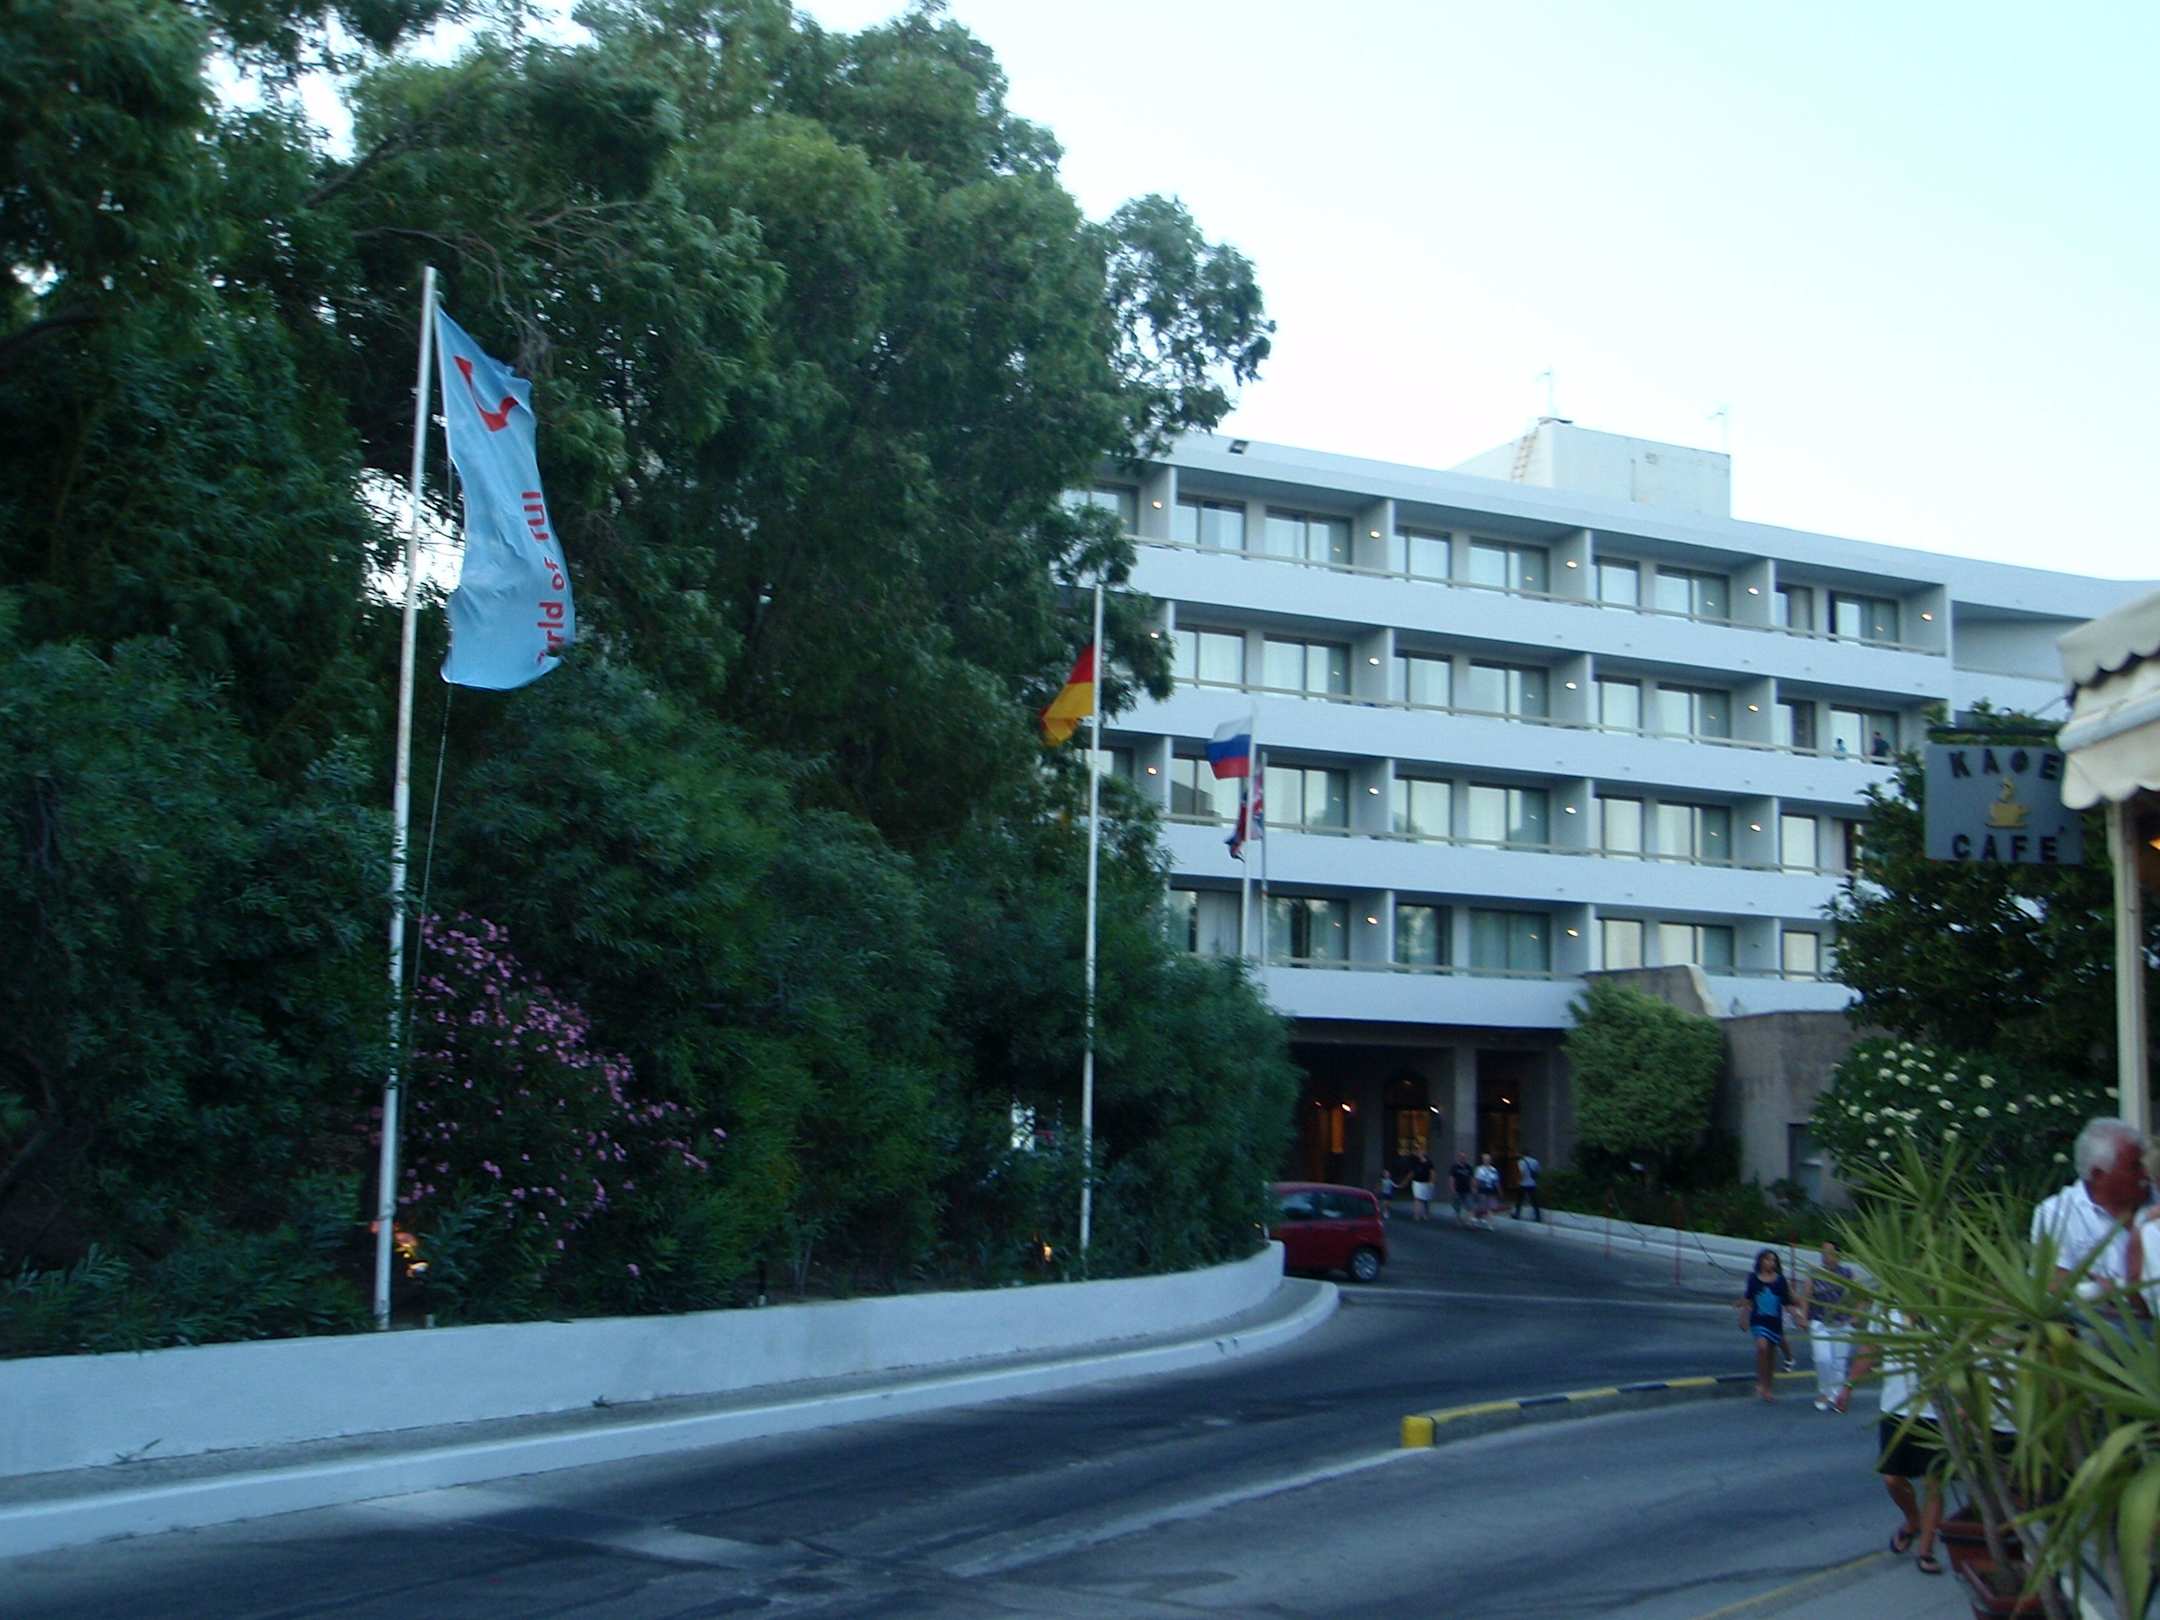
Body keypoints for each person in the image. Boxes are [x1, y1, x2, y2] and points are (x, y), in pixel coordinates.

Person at [1834, 1312, 1946, 1578]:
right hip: (1896, 1407)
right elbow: (1871, 1348)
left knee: (1934, 1481)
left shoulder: (1941, 1305)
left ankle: (1926, 1550)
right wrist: (1848, 1386)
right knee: (1892, 1479)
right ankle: (1913, 1521)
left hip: (1937, 1409)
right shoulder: (1886, 1308)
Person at [2030, 1116, 2149, 1303]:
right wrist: (2104, 1290)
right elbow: (2052, 1283)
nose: (2145, 1174)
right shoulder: (2057, 1213)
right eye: (2135, 1167)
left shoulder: (2155, 1201)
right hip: (2097, 1319)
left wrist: (2109, 1286)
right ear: (2098, 1175)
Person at [1796, 1237, 1856, 1412]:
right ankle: (1824, 1391)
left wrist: (1855, 1316)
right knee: (1823, 1358)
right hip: (1820, 1321)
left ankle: (1837, 1395)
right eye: (1823, 1252)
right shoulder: (1814, 1273)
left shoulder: (1847, 1274)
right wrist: (1803, 1316)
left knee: (1839, 1362)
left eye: (1829, 1252)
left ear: (1837, 1255)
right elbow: (1806, 1296)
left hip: (1842, 1322)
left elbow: (1859, 1295)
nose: (1825, 1256)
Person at [1735, 1248, 1797, 1402]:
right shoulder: (1753, 1279)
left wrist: (1798, 1317)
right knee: (1762, 1347)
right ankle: (1760, 1383)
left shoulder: (1780, 1280)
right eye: (1767, 1259)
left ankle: (1768, 1387)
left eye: (1773, 1260)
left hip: (1774, 1322)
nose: (1771, 1263)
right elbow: (1749, 1299)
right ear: (1761, 1261)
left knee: (1770, 1355)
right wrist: (1743, 1317)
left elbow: (1787, 1302)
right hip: (1758, 1321)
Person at [1472, 1153, 1501, 1230]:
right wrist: (1474, 1188)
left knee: (1490, 1207)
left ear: (1490, 1160)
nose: (1486, 1161)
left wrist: (1499, 1191)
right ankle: (1477, 1218)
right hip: (1482, 1189)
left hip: (1491, 1190)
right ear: (1483, 1160)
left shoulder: (1493, 1170)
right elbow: (1476, 1179)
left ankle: (1490, 1224)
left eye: (1488, 1159)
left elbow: (1496, 1181)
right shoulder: (1479, 1169)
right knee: (1482, 1206)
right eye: (1485, 1159)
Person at [1407, 1150, 1436, 1223]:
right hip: (1417, 1183)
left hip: (1426, 1183)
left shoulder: (1429, 1163)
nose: (1419, 1154)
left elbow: (1432, 1173)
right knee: (1417, 1199)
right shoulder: (1416, 1162)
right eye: (1418, 1153)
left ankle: (1426, 1214)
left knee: (1426, 1200)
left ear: (1424, 1154)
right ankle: (1416, 1214)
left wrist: (1431, 1182)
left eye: (1420, 1153)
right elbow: (1413, 1172)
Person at [1513, 1152, 1541, 1222]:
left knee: (1519, 1200)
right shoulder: (1535, 1161)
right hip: (1532, 1184)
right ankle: (1538, 1217)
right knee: (1534, 1201)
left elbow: (1521, 1172)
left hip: (1523, 1184)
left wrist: (1518, 1181)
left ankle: (1517, 1214)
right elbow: (1538, 1171)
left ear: (1522, 1154)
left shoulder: (1521, 1162)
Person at [1448, 1152, 1474, 1225]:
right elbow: (1451, 1178)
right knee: (1457, 1207)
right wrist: (1452, 1189)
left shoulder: (1469, 1167)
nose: (1463, 1159)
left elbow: (1472, 1178)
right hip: (1457, 1190)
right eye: (1461, 1157)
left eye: (1464, 1157)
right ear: (1459, 1158)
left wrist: (1473, 1187)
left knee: (1470, 1206)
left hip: (1467, 1190)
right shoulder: (1454, 1167)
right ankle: (1458, 1220)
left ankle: (1469, 1221)